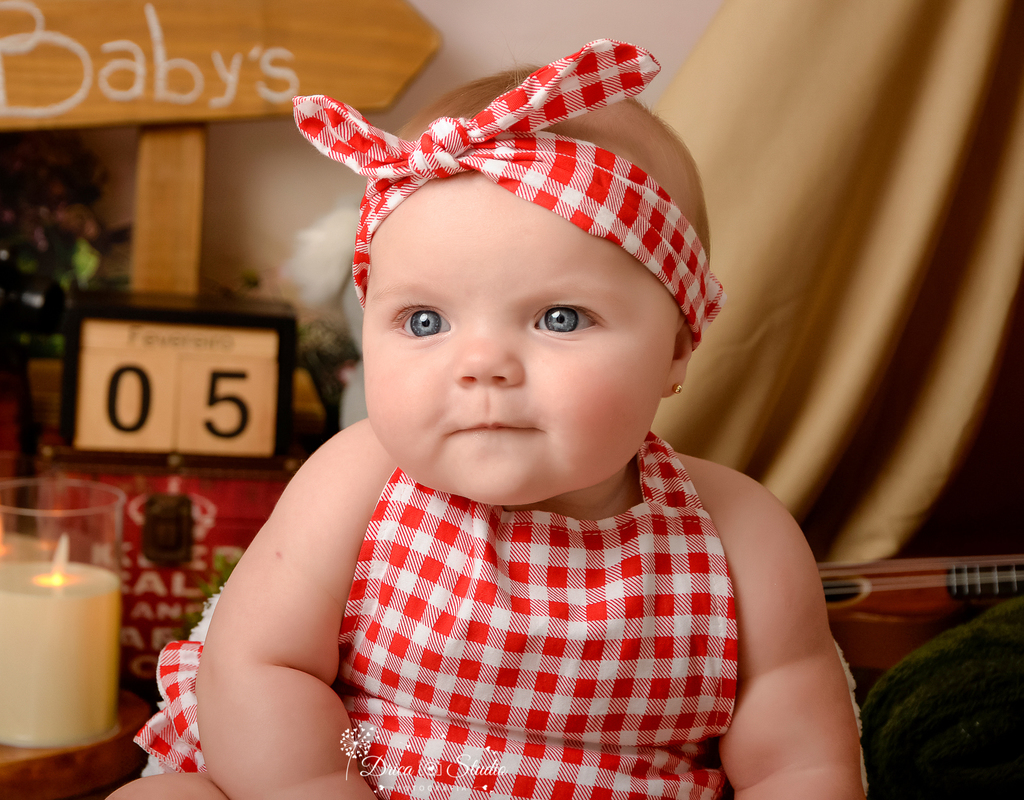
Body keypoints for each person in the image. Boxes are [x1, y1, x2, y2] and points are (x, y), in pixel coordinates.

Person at [111, 40, 865, 800]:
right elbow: (259, 669)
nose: (482, 364)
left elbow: (796, 764)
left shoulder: (741, 537)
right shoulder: (355, 482)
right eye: (425, 320)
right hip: (353, 768)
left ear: (676, 349)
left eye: (560, 317)